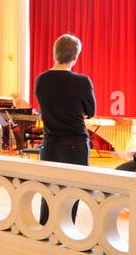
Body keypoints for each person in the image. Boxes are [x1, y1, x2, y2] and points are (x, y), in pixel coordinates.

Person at [34, 34, 95, 224]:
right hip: (76, 144)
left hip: (51, 143)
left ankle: (45, 230)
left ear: (55, 54)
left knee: (49, 191)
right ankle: (67, 231)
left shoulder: (41, 80)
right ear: (75, 57)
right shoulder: (82, 81)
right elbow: (90, 111)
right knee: (73, 192)